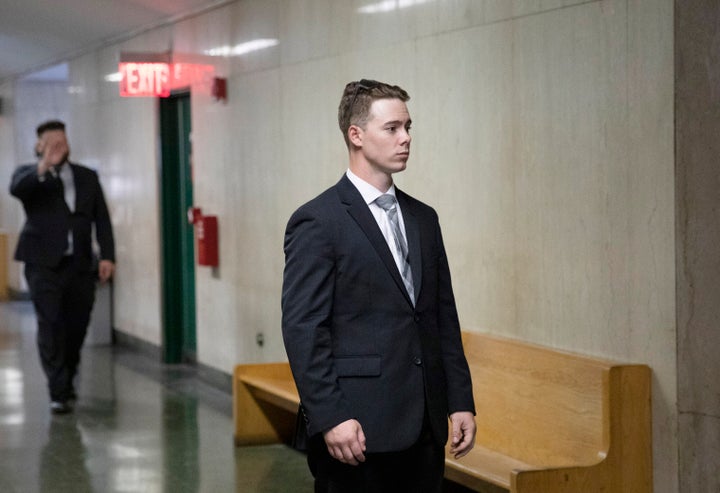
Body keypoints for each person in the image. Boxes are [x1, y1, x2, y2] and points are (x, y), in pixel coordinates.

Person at [281, 79, 476, 492]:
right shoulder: (318, 221)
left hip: (424, 426)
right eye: (392, 128)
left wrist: (460, 401)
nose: (406, 138)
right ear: (356, 135)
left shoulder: (424, 219)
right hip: (356, 428)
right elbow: (303, 328)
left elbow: (441, 316)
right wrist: (330, 416)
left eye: (408, 127)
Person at [10, 120, 115, 415]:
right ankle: (57, 391)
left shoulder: (86, 177)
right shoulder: (30, 175)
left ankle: (66, 377)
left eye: (63, 141)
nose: (60, 146)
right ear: (40, 146)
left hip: (80, 264)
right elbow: (18, 190)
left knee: (76, 326)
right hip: (42, 265)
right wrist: (45, 165)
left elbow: (102, 219)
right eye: (52, 142)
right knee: (51, 323)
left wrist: (107, 256)